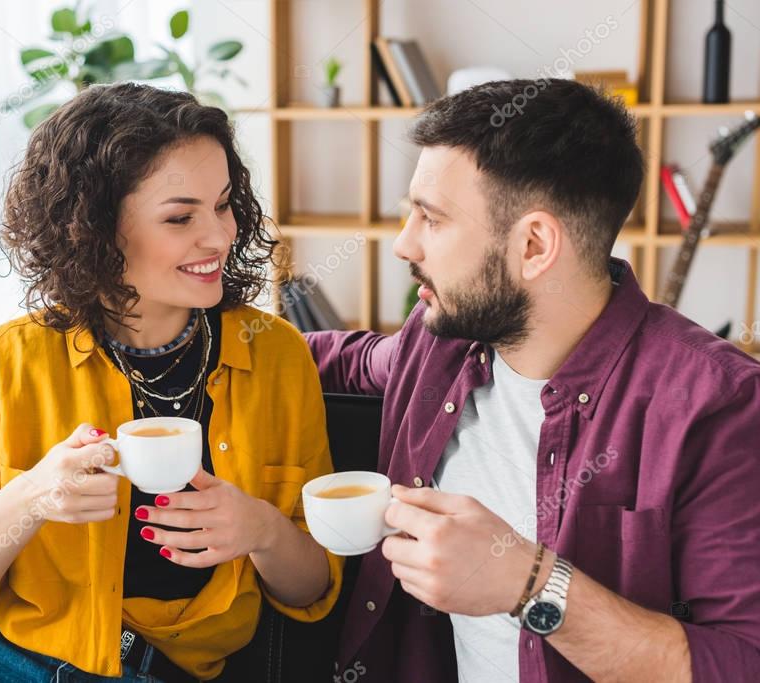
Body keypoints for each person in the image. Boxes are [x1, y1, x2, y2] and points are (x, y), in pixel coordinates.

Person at [0, 82, 342, 683]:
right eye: (180, 217)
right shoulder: (13, 358)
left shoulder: (274, 356)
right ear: (94, 229)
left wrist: (262, 529)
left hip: (156, 668)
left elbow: (313, 589)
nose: (219, 235)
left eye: (223, 205)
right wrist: (33, 497)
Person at [307, 79, 760, 682]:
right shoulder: (437, 340)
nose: (404, 244)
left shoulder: (719, 406)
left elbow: (740, 663)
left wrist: (529, 584)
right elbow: (343, 360)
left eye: (431, 218)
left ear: (534, 245)